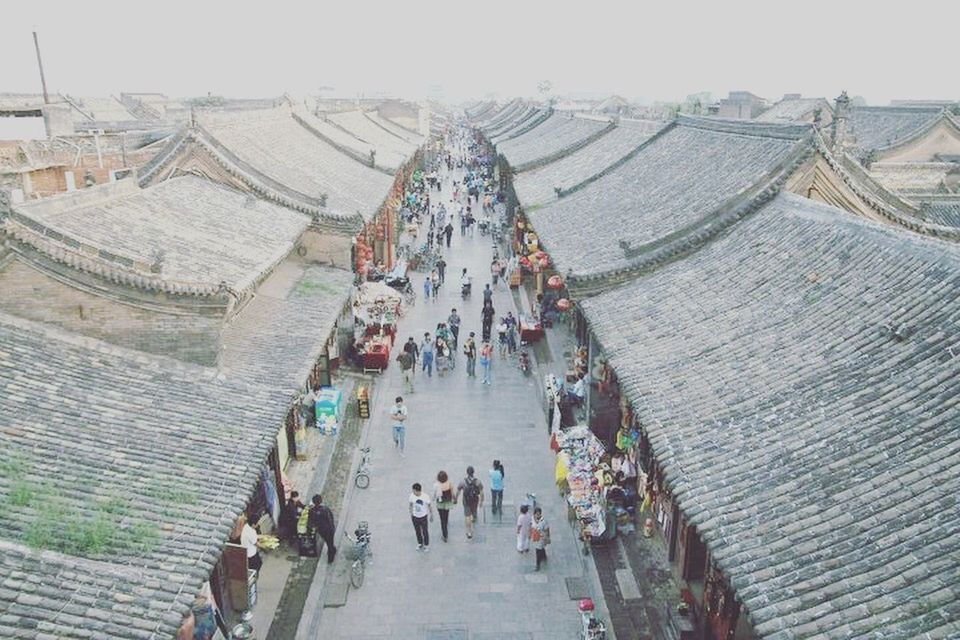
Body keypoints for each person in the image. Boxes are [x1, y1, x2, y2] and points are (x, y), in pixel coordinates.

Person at [307, 494, 337, 564]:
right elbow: (330, 519)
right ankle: (331, 557)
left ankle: (332, 548)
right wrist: (332, 528)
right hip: (329, 530)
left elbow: (311, 522)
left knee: (327, 541)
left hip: (321, 530)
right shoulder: (325, 510)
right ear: (320, 501)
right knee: (330, 543)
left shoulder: (311, 511)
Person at [456, 466, 484, 539]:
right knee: (474, 510)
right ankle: (474, 518)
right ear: (473, 472)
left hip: (466, 501)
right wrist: (481, 501)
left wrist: (455, 499)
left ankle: (469, 532)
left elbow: (458, 491)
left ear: (467, 473)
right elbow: (481, 492)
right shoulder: (478, 481)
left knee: (467, 516)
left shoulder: (463, 482)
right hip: (475, 500)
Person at [409, 482, 433, 551]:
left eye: (413, 490)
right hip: (415, 517)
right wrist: (411, 513)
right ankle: (420, 543)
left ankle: (426, 544)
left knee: (425, 531)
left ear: (417, 491)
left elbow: (429, 506)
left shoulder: (425, 496)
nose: (413, 492)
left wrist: (431, 515)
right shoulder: (411, 496)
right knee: (417, 531)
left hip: (423, 517)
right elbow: (410, 504)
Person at [433, 470, 455, 542]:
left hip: (440, 503)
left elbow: (434, 494)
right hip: (448, 502)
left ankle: (445, 535)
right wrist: (454, 499)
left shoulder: (436, 485)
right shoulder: (449, 483)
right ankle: (446, 521)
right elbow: (452, 493)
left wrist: (433, 498)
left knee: (442, 519)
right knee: (446, 513)